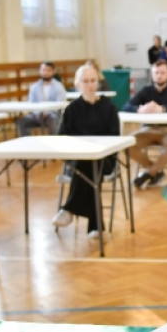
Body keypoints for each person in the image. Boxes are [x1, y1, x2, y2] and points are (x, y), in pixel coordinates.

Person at [52, 64, 120, 240]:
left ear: (98, 83)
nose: (90, 85)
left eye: (93, 81)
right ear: (77, 84)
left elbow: (115, 138)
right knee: (87, 165)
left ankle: (69, 208)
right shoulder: (71, 109)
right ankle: (96, 226)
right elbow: (62, 138)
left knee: (91, 164)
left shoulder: (109, 108)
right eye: (85, 81)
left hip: (105, 160)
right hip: (78, 160)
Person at [123, 59, 167, 190]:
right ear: (152, 75)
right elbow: (126, 106)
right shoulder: (146, 91)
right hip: (148, 130)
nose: (159, 75)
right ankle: (155, 172)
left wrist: (162, 109)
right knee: (126, 144)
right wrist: (140, 109)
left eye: (162, 72)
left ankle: (148, 174)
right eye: (156, 72)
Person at [16, 61, 67, 137]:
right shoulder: (34, 87)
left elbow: (60, 104)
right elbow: (31, 104)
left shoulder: (58, 86)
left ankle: (53, 143)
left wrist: (46, 113)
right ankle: (27, 143)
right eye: (43, 70)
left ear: (53, 72)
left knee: (53, 121)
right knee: (21, 122)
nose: (45, 72)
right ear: (40, 71)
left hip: (52, 115)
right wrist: (37, 114)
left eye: (48, 70)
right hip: (36, 115)